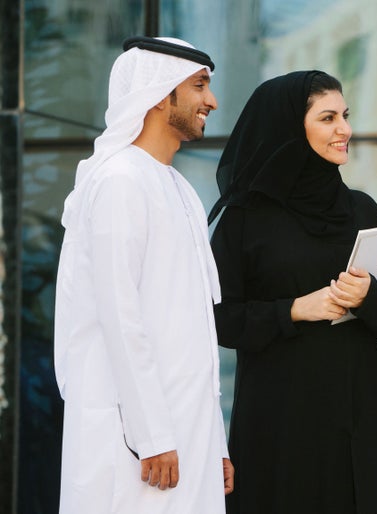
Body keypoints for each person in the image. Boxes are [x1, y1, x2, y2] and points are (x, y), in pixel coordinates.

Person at [207, 70, 377, 514]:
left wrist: (365, 298)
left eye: (344, 115)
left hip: (363, 403)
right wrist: (295, 310)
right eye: (328, 118)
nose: (344, 129)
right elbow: (218, 320)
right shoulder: (245, 219)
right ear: (290, 128)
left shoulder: (360, 207)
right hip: (283, 412)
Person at [54, 37, 233, 513]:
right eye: (199, 86)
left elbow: (196, 333)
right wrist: (151, 433)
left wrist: (215, 442)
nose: (211, 101)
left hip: (184, 432)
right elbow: (120, 317)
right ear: (159, 93)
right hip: (135, 441)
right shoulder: (119, 181)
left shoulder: (177, 187)